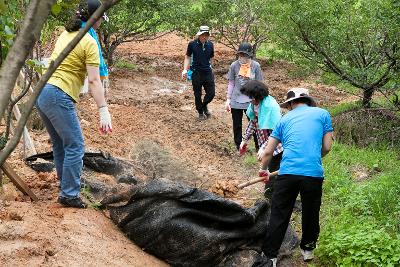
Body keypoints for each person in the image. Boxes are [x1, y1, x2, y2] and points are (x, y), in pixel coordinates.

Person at [36, 0, 112, 209]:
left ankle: (65, 186)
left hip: (43, 92)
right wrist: (103, 110)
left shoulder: (66, 34)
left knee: (61, 144)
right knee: (76, 145)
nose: (100, 25)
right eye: (99, 20)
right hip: (58, 95)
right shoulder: (89, 42)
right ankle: (69, 194)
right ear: (94, 19)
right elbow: (95, 80)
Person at [253, 88, 334, 267]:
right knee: (311, 211)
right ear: (307, 100)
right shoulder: (323, 114)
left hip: (287, 173)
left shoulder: (284, 119)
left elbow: (268, 151)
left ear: (290, 104)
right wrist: (313, 157)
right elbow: (327, 147)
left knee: (279, 213)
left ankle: (270, 257)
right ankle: (308, 250)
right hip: (312, 174)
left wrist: (264, 171)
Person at [239, 80, 283, 197]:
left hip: (278, 145)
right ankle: (271, 194)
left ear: (257, 95)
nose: (249, 99)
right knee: (269, 168)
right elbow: (253, 122)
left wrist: (264, 148)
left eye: (250, 96)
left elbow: (277, 132)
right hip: (265, 142)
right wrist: (244, 140)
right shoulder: (254, 105)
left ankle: (270, 197)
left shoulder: (271, 107)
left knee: (274, 170)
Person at [225, 43, 263, 151]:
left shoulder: (256, 66)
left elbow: (259, 83)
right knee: (237, 124)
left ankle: (258, 146)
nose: (242, 57)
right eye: (240, 54)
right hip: (236, 100)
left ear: (250, 55)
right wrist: (228, 99)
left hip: (252, 101)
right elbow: (231, 82)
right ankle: (238, 146)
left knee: (255, 124)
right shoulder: (234, 66)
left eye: (245, 55)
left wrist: (259, 99)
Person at [182, 26, 215, 121]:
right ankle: (200, 112)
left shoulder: (210, 45)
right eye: (203, 35)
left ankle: (204, 106)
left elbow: (211, 57)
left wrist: (211, 67)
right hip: (196, 72)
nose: (204, 37)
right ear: (199, 35)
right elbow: (187, 57)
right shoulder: (192, 44)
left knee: (211, 93)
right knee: (197, 94)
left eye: (206, 35)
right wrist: (185, 69)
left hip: (207, 72)